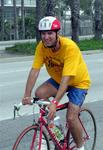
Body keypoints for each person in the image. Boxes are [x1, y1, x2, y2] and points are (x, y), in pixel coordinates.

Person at [22, 16, 91, 150]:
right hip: (59, 80)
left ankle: (80, 146)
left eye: (50, 33)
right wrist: (27, 95)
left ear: (57, 34)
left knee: (71, 118)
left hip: (78, 82)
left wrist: (55, 103)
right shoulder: (41, 47)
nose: (46, 37)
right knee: (40, 93)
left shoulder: (69, 47)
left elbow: (67, 78)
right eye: (43, 33)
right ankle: (56, 128)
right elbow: (35, 71)